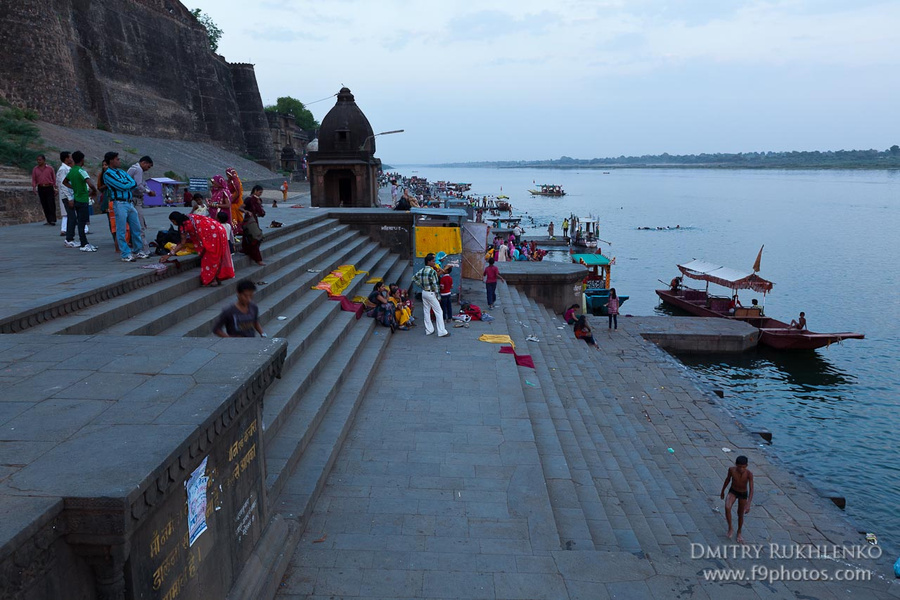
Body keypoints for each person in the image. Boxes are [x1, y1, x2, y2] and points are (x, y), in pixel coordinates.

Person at [163, 211, 235, 286]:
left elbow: (182, 244)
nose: (174, 223)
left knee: (210, 258)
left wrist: (169, 255)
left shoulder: (183, 226)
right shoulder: (190, 216)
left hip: (213, 236)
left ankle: (212, 280)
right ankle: (217, 278)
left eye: (173, 221)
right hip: (220, 229)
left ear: (174, 220)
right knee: (217, 256)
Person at [104, 152, 149, 262]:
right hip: (119, 203)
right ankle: (125, 253)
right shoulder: (108, 174)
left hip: (129, 202)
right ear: (111, 161)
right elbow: (123, 185)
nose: (119, 161)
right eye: (117, 159)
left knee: (136, 228)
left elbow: (132, 182)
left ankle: (138, 250)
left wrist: (128, 184)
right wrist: (128, 184)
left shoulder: (121, 172)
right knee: (121, 229)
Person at [62, 151, 99, 252]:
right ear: (82, 159)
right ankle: (84, 243)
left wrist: (73, 187)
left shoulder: (72, 171)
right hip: (83, 199)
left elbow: (64, 182)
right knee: (82, 223)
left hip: (76, 198)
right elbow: (90, 183)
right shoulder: (81, 171)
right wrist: (94, 190)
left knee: (80, 222)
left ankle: (84, 242)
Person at [720, 455, 754, 544]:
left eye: (743, 467)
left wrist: (748, 503)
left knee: (740, 514)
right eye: (739, 467)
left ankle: (739, 532)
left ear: (746, 466)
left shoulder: (749, 474)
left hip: (743, 494)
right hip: (733, 491)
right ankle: (730, 527)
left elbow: (751, 489)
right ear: (736, 465)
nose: (741, 469)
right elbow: (727, 480)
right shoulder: (731, 470)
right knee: (727, 507)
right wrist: (722, 491)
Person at [414, 253, 449, 337]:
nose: (434, 262)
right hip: (431, 292)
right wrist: (438, 296)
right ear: (429, 262)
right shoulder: (432, 271)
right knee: (439, 311)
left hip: (424, 292)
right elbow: (435, 284)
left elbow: (414, 278)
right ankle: (442, 331)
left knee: (426, 311)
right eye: (433, 261)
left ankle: (429, 330)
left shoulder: (421, 270)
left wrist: (421, 285)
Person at [127, 156, 155, 256]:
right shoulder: (138, 169)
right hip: (135, 199)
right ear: (144, 163)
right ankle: (144, 250)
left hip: (130, 199)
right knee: (140, 225)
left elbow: (143, 183)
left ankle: (137, 248)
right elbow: (139, 186)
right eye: (148, 166)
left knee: (134, 225)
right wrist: (148, 192)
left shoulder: (133, 168)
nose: (148, 168)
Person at [241, 185, 267, 266]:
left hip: (254, 220)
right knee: (255, 238)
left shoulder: (257, 200)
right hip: (249, 221)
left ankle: (247, 251)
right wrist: (247, 212)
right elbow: (240, 208)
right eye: (259, 192)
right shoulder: (249, 199)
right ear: (255, 191)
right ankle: (258, 259)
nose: (260, 194)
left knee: (249, 238)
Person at [31, 154, 57, 226]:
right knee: (44, 204)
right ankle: (48, 220)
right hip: (41, 187)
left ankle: (52, 219)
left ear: (44, 160)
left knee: (51, 203)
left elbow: (54, 179)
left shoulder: (50, 168)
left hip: (49, 187)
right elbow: (34, 179)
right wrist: (34, 187)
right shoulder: (35, 169)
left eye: (40, 160)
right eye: (37, 160)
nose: (38, 161)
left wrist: (55, 188)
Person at [55, 151, 74, 237]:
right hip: (66, 194)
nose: (71, 159)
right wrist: (69, 196)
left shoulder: (67, 168)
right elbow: (63, 184)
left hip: (68, 193)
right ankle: (65, 231)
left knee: (68, 213)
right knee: (67, 213)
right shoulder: (63, 169)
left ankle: (66, 230)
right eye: (70, 157)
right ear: (66, 158)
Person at [225, 167, 244, 233]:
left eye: (228, 174)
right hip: (233, 200)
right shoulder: (230, 181)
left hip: (235, 201)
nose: (227, 176)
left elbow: (237, 192)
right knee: (234, 215)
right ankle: (237, 229)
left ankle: (237, 229)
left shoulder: (234, 181)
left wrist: (231, 199)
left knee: (235, 216)